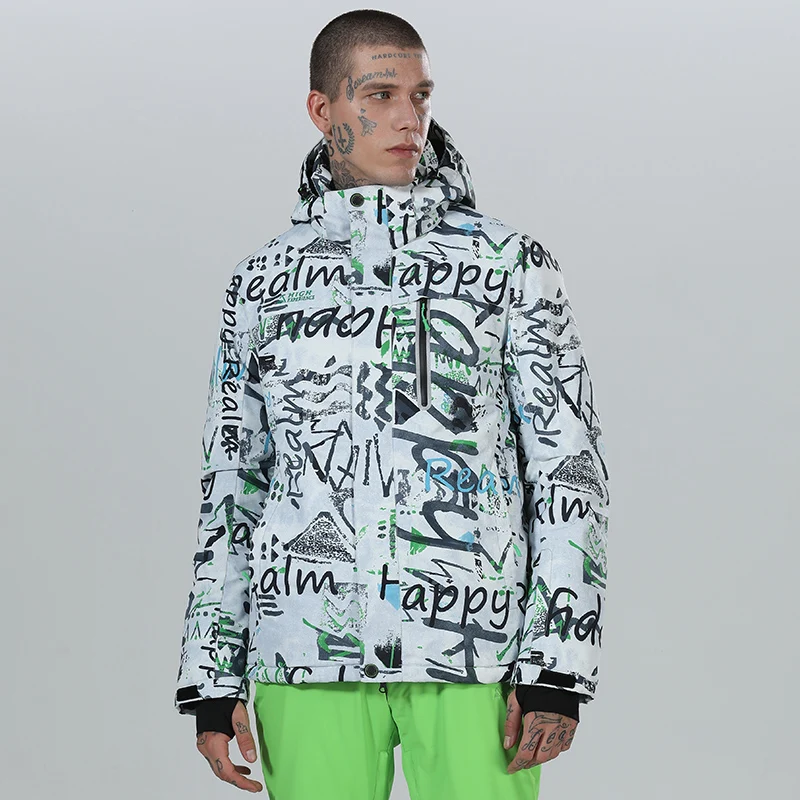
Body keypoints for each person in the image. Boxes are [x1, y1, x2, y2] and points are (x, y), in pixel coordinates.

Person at [174, 9, 610, 798]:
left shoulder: (509, 264)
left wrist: (557, 665)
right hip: (305, 650)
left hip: (475, 650)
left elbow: (566, 467)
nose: (409, 118)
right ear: (323, 110)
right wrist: (212, 676)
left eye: (420, 95)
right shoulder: (262, 282)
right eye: (380, 94)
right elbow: (232, 483)